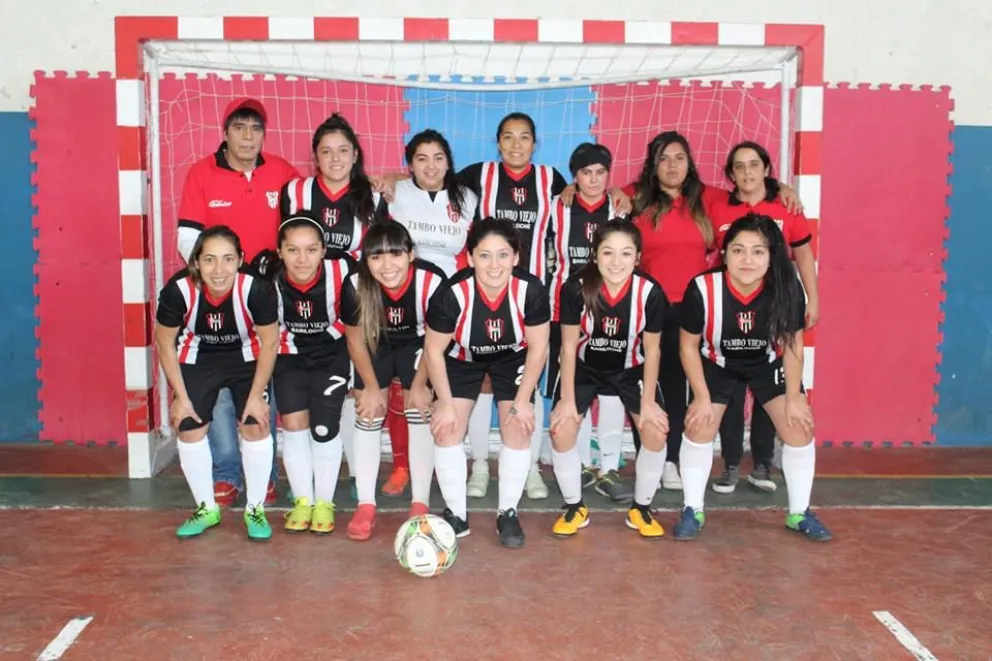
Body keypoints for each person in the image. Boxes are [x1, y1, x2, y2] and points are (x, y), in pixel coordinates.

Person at [624, 131, 802, 492]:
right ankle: (655, 459)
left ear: (690, 163)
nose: (672, 165)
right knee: (651, 390)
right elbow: (604, 193)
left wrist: (782, 186)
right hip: (651, 309)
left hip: (697, 311)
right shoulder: (636, 199)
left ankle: (674, 459)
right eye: (663, 158)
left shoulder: (707, 198)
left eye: (679, 157)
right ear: (652, 165)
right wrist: (611, 192)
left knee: (684, 392)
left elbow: (750, 185)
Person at [675, 213, 831, 541]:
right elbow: (688, 346)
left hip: (766, 363)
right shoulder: (702, 288)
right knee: (698, 424)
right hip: (716, 362)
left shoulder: (786, 290)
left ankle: (799, 513)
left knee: (799, 427)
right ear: (724, 253)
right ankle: (692, 509)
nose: (747, 260)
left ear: (771, 256)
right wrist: (702, 397)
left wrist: (793, 398)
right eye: (738, 250)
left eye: (758, 251)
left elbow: (792, 348)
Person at [176, 97, 299, 507]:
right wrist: (223, 275)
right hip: (219, 300)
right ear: (225, 132)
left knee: (263, 383)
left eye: (256, 129)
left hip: (268, 298)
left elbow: (304, 224)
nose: (248, 137)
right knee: (223, 389)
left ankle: (262, 474)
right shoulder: (201, 173)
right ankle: (227, 472)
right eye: (240, 128)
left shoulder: (282, 172)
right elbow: (187, 241)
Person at [425, 218, 551, 548]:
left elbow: (539, 348)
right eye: (484, 256)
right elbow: (433, 352)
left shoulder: (531, 290)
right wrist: (446, 404)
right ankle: (456, 515)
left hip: (513, 357)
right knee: (447, 428)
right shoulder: (451, 294)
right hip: (462, 357)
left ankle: (507, 512)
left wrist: (523, 402)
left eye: (502, 255)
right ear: (469, 258)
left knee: (519, 427)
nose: (494, 265)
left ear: (516, 257)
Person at [154, 226, 279, 540]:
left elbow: (269, 342)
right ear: (196, 261)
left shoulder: (256, 289)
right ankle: (206, 507)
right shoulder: (177, 291)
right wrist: (180, 397)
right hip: (199, 356)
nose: (218, 269)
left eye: (227, 259)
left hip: (246, 355)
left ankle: (255, 508)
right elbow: (165, 344)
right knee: (189, 424)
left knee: (255, 422)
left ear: (240, 260)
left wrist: (256, 397)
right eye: (209, 260)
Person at [709, 142, 820, 495]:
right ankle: (728, 464)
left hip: (773, 309)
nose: (747, 172)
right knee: (730, 388)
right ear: (730, 174)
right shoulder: (715, 205)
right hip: (729, 308)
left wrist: (812, 296)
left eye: (754, 165)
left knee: (766, 386)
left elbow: (802, 255)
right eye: (738, 167)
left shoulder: (786, 206)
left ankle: (761, 464)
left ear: (767, 169)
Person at [279, 113, 380, 498]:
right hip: (306, 302)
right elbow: (289, 241)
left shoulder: (371, 194)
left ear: (355, 155)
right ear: (315, 157)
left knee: (353, 390)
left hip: (352, 305)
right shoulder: (297, 191)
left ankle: (355, 473)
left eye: (343, 151)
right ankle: (306, 486)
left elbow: (375, 253)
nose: (335, 159)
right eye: (326, 152)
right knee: (303, 403)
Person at [549, 220, 670, 537]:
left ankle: (641, 510)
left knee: (655, 430)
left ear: (638, 257)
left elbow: (653, 351)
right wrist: (565, 400)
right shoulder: (575, 288)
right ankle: (575, 508)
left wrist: (647, 405)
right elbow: (567, 345)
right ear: (595, 255)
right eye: (608, 253)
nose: (616, 262)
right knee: (562, 429)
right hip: (585, 367)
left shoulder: (651, 293)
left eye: (626, 253)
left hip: (632, 370)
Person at [382, 129, 478, 497]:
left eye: (438, 157)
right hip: (403, 298)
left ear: (448, 161)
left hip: (450, 303)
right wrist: (390, 179)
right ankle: (403, 464)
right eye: (421, 158)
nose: (431, 166)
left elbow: (474, 252)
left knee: (443, 383)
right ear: (410, 165)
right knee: (401, 385)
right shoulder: (395, 194)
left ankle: (441, 460)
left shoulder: (467, 198)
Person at [340, 221, 448, 540]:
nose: (386, 266)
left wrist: (419, 385)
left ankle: (419, 503)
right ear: (366, 260)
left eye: (395, 254)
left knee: (418, 408)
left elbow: (435, 342)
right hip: (377, 342)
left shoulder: (432, 281)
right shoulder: (356, 283)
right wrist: (372, 388)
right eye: (376, 257)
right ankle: (366, 504)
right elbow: (355, 340)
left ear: (411, 254)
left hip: (420, 344)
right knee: (369, 411)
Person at [545, 142, 631, 501]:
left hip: (613, 314)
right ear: (574, 176)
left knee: (611, 392)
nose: (593, 179)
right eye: (585, 173)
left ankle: (609, 468)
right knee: (572, 391)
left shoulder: (621, 207)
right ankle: (579, 463)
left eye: (600, 172)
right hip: (564, 312)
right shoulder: (557, 207)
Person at [267, 216, 354, 534]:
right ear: (280, 251)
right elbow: (266, 329)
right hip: (290, 356)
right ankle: (303, 502)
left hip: (331, 356)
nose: (302, 259)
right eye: (293, 250)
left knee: (323, 428)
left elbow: (360, 317)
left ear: (323, 250)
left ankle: (324, 503)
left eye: (311, 249)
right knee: (292, 424)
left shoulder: (343, 271)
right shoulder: (270, 277)